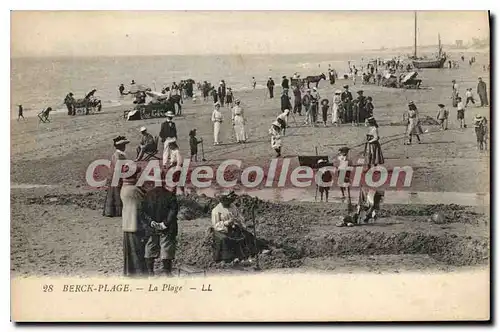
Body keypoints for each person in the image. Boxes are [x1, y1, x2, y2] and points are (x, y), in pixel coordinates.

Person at [120, 166, 151, 277]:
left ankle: (130, 272)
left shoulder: (125, 187)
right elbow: (142, 205)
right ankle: (139, 274)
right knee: (138, 251)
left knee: (130, 252)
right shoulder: (134, 190)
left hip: (127, 223)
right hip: (136, 224)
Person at [211, 191, 258, 263]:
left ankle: (251, 252)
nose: (229, 203)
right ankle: (229, 258)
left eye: (230, 201)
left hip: (233, 227)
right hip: (222, 229)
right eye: (228, 201)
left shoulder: (233, 206)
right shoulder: (216, 210)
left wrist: (238, 221)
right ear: (223, 200)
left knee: (247, 235)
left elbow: (239, 216)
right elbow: (216, 225)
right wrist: (227, 223)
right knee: (225, 239)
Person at [143, 185, 179, 276]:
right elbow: (173, 211)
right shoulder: (170, 195)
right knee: (166, 248)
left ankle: (150, 272)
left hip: (151, 227)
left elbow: (142, 211)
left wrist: (151, 222)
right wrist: (165, 224)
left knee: (150, 247)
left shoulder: (147, 195)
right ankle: (167, 272)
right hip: (167, 228)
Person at [103, 136, 129, 217]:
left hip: (115, 175)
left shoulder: (119, 154)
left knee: (113, 193)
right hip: (117, 175)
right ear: (120, 146)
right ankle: (117, 212)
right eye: (123, 145)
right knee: (117, 193)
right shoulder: (118, 155)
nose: (125, 147)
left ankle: (111, 211)